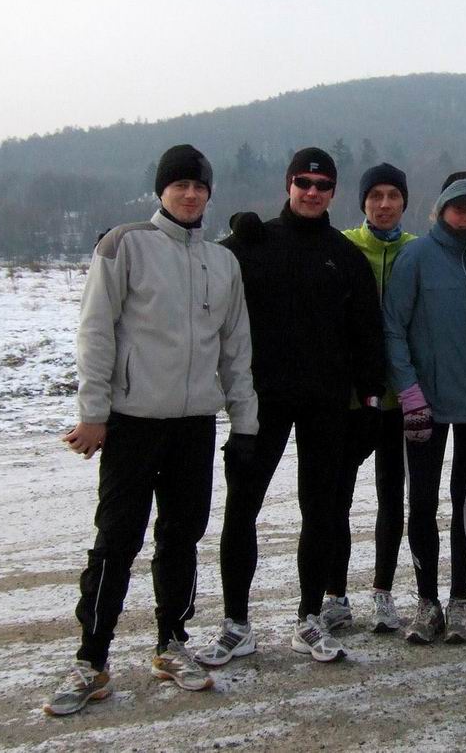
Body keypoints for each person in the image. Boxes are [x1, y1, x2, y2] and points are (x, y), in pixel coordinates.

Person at [44, 144, 258, 716]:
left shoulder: (222, 263)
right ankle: (92, 659)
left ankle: (172, 643)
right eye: (179, 184)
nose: (190, 194)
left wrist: (245, 421)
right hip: (133, 422)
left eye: (199, 186)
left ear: (209, 194)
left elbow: (235, 349)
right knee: (116, 541)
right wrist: (94, 412)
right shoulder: (125, 244)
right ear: (161, 190)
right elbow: (96, 331)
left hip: (193, 426)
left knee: (182, 538)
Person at [196, 148, 384, 664]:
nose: (312, 192)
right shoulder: (253, 242)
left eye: (323, 185)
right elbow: (196, 265)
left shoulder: (345, 256)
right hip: (261, 402)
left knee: (320, 510)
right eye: (304, 182)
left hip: (326, 403)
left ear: (334, 193)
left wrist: (370, 404)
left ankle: (309, 618)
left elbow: (367, 335)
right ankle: (236, 624)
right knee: (243, 507)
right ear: (288, 184)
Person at [382, 174, 466, 645]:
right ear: (442, 209)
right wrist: (409, 393)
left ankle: (459, 603)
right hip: (423, 404)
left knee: (465, 499)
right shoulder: (416, 256)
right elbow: (392, 328)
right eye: (460, 209)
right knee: (422, 501)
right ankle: (427, 603)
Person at [321, 163, 417, 634]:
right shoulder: (342, 246)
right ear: (362, 202)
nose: (384, 204)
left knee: (391, 497)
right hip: (351, 399)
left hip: (398, 398)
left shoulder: (416, 250)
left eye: (393, 196)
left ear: (404, 202)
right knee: (337, 498)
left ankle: (383, 592)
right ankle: (335, 595)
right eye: (375, 195)